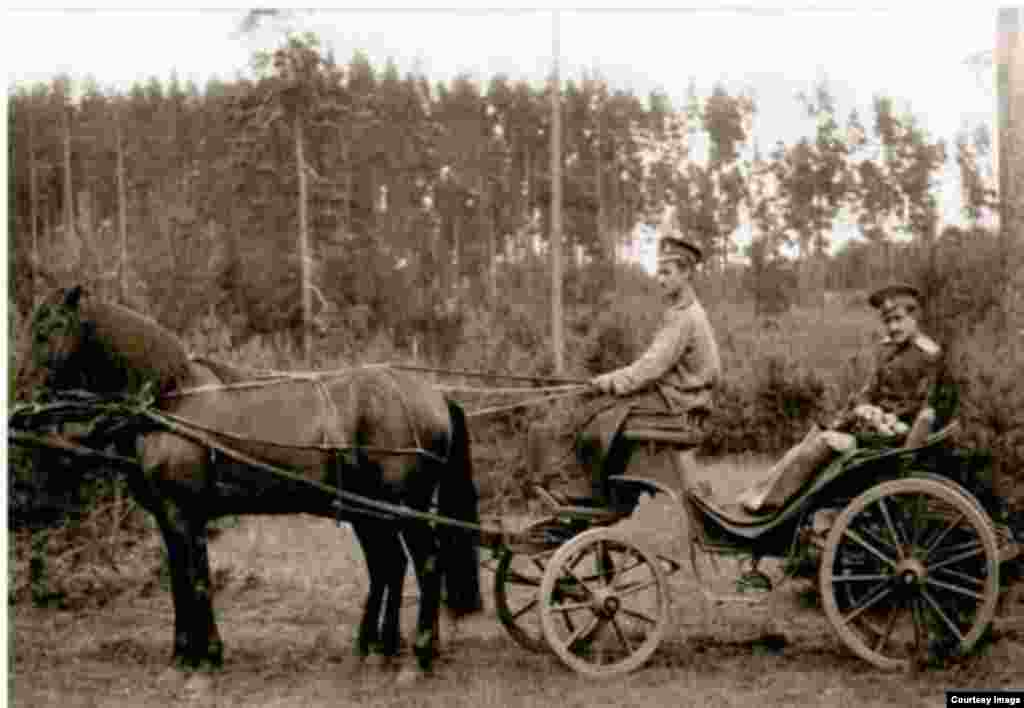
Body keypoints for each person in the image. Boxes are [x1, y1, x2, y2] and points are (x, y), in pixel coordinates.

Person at [739, 282, 943, 515]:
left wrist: (884, 419)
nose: (892, 327)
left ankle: (772, 505)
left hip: (889, 444)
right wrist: (865, 406)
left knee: (825, 442)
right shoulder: (887, 350)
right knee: (813, 437)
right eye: (887, 321)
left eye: (898, 319)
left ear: (914, 317)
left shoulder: (928, 356)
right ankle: (759, 496)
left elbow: (924, 409)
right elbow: (870, 389)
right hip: (872, 431)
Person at [577, 232, 721, 508]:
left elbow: (650, 368)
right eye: (659, 272)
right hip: (679, 400)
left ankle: (599, 496)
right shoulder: (683, 313)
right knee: (604, 414)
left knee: (598, 420)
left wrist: (608, 381)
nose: (661, 279)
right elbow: (652, 366)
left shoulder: (684, 318)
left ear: (687, 273)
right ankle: (608, 494)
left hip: (679, 405)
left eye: (667, 272)